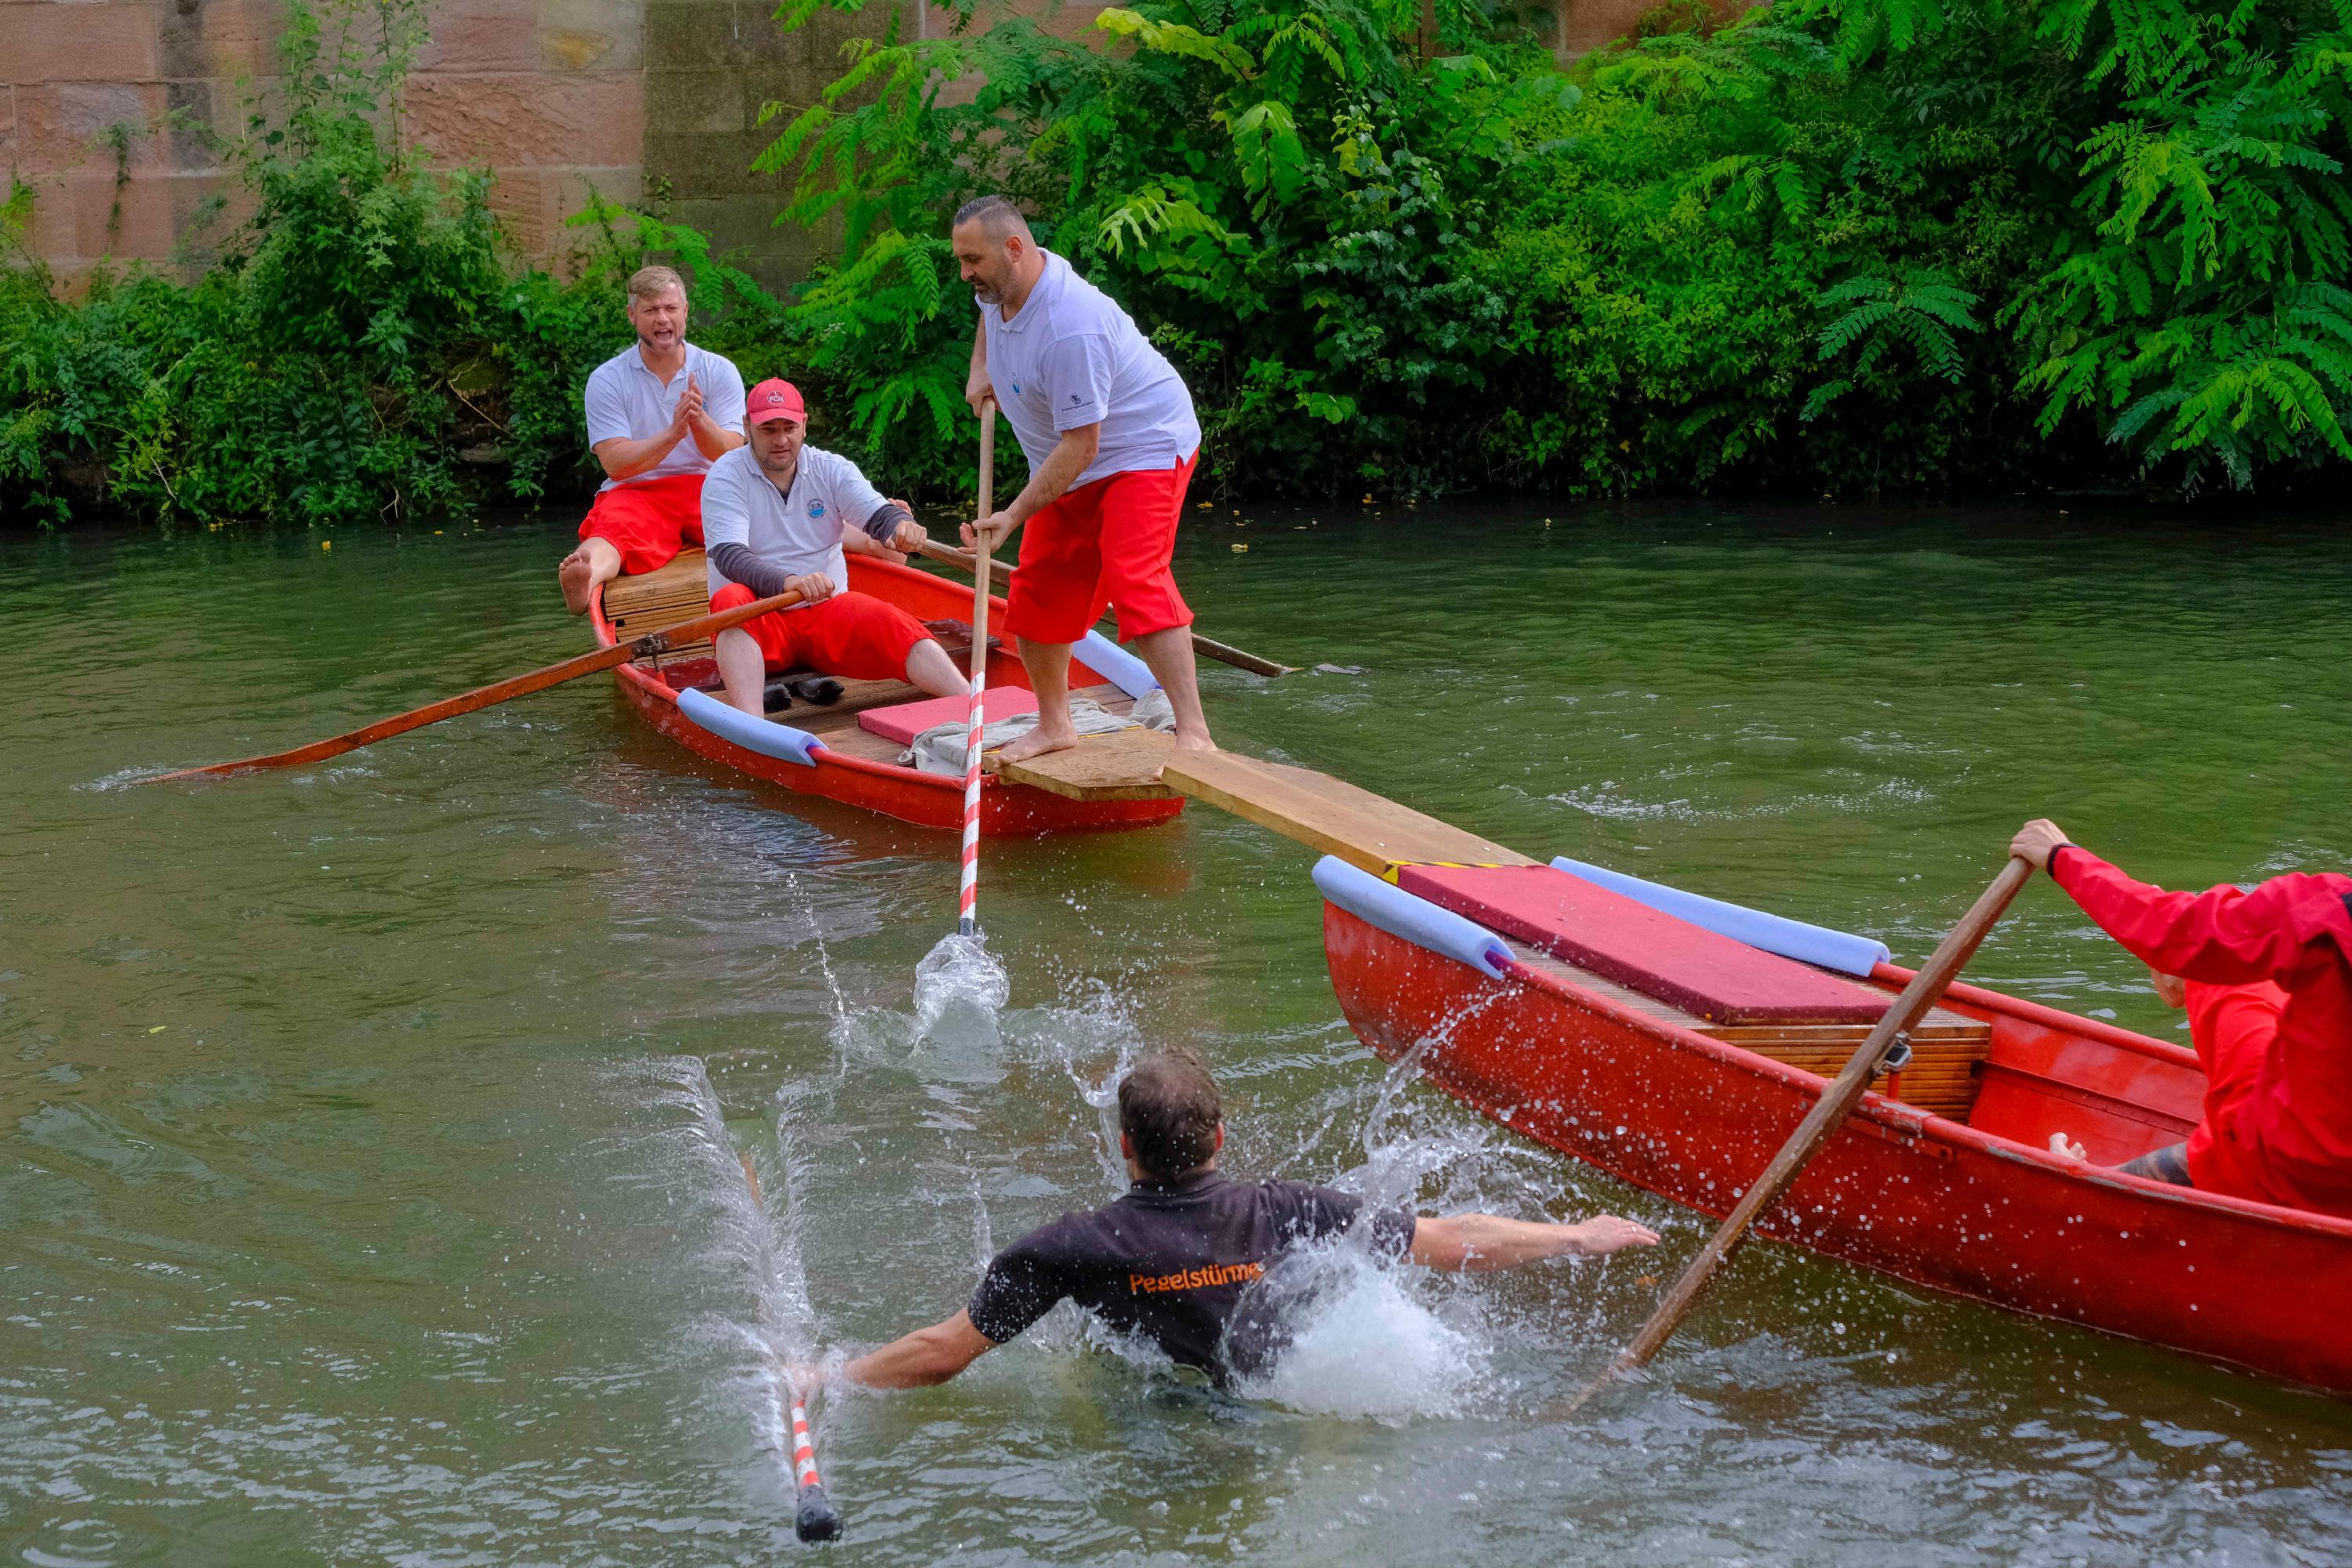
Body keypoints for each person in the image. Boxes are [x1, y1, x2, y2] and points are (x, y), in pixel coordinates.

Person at [822, 1048, 1660, 1390]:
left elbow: (942, 1355)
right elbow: (1450, 1241)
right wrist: (1577, 1235)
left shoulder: (1071, 1244)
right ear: (1220, 1136)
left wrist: (824, 1377)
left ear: (1123, 1146)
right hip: (1282, 1397)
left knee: (1084, 1387)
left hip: (1165, 1417)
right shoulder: (1289, 1207)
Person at [949, 195, 1214, 764]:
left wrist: (1013, 515)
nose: (966, 273)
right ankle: (1055, 725)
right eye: (961, 260)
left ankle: (1194, 732)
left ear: (1014, 249)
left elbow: (1083, 445)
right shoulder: (1001, 288)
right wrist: (980, 368)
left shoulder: (1072, 326)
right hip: (1070, 461)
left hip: (1142, 448)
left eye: (973, 260)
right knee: (1038, 590)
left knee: (1133, 574)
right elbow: (987, 314)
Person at [2011, 818, 2352, 1218]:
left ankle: (2078, 1184)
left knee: (2212, 938)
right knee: (2239, 961)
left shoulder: (2329, 908)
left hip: (2288, 1165)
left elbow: (2172, 929)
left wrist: (2060, 857)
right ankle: (2186, 970)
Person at [700, 379, 970, 716]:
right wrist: (788, 582)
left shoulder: (830, 468)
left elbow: (876, 513)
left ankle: (970, 704)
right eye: (768, 429)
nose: (781, 440)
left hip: (825, 611)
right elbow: (730, 557)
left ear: (805, 426)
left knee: (891, 619)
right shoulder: (726, 475)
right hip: (760, 616)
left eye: (789, 427)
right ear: (747, 427)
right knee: (729, 601)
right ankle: (753, 726)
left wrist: (900, 527)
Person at [557, 265, 748, 615]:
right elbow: (616, 464)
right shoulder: (608, 379)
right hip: (637, 492)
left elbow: (734, 453)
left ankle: (871, 532)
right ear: (633, 315)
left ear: (685, 312)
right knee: (614, 529)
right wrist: (674, 433)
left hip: (708, 485)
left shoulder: (718, 370)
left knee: (765, 513)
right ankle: (587, 572)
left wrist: (699, 422)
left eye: (670, 308)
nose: (663, 319)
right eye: (651, 310)